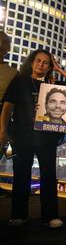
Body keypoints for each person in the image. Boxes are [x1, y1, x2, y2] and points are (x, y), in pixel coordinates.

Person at [0, 50, 63, 228]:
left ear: (50, 67)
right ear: (32, 62)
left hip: (47, 138)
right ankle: (18, 215)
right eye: (38, 61)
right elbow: (7, 108)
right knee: (21, 176)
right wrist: (2, 130)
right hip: (23, 136)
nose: (41, 65)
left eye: (45, 63)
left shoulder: (53, 85)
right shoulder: (20, 81)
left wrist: (59, 69)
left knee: (49, 176)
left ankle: (50, 216)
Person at [0, 32, 18, 197]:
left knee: (0, 147)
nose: (4, 45)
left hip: (2, 113)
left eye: (6, 43)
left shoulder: (13, 73)